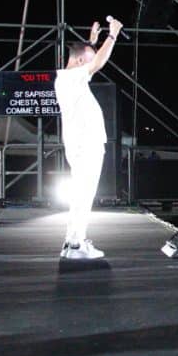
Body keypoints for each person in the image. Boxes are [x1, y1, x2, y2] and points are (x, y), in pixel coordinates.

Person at [54, 17, 121, 259]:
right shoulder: (69, 78)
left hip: (82, 144)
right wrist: (112, 35)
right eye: (88, 61)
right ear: (81, 61)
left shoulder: (70, 79)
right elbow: (98, 62)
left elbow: (89, 60)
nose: (92, 67)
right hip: (86, 145)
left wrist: (92, 41)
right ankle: (76, 244)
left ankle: (72, 241)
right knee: (84, 194)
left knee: (80, 194)